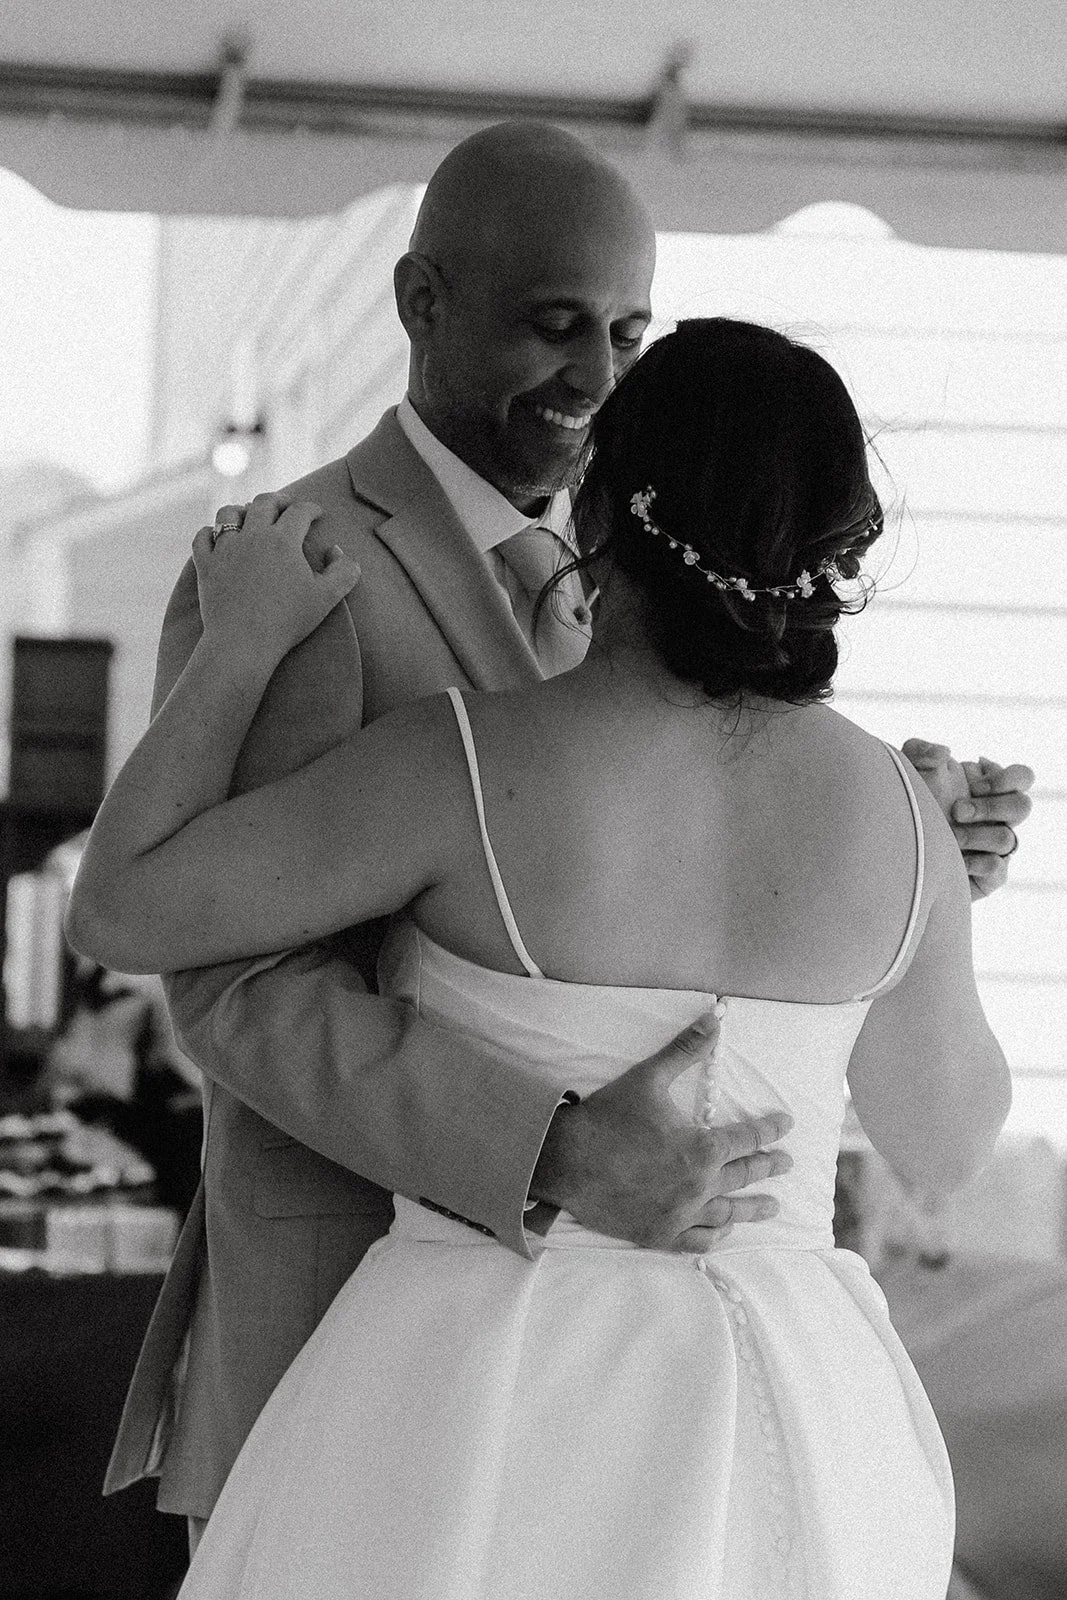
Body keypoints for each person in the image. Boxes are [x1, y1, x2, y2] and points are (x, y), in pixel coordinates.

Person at [95, 122, 1032, 1556]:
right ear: (420, 304)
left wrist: (919, 893)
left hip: (691, 1374)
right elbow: (237, 987)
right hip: (377, 1325)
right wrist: (544, 1147)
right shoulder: (294, 559)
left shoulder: (586, 661)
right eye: (553, 328)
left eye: (625, 333)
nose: (594, 379)